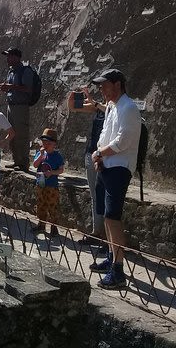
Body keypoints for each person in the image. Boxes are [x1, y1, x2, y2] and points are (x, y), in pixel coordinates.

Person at [88, 69, 141, 290]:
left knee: (113, 216)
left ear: (117, 84)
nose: (101, 89)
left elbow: (123, 141)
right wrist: (99, 154)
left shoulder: (128, 108)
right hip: (107, 166)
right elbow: (105, 134)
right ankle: (111, 257)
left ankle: (118, 270)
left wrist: (101, 153)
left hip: (119, 167)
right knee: (107, 216)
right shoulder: (112, 107)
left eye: (105, 85)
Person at [68, 86, 107, 245]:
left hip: (106, 157)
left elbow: (109, 111)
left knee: (106, 196)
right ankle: (96, 232)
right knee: (95, 195)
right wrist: (71, 98)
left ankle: (106, 236)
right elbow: (73, 107)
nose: (103, 91)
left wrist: (95, 102)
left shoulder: (115, 108)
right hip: (91, 153)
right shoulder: (97, 107)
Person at [0, 47, 33, 171]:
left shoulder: (25, 71)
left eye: (10, 56)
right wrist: (7, 88)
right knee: (11, 132)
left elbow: (28, 88)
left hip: (21, 106)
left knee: (21, 135)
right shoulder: (11, 72)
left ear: (17, 57)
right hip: (11, 105)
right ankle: (16, 160)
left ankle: (23, 162)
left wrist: (11, 86)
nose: (8, 59)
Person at [33, 128, 65, 234]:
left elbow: (61, 170)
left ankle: (54, 227)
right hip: (40, 184)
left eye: (48, 142)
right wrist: (41, 156)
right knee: (41, 204)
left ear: (54, 144)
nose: (45, 144)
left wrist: (52, 173)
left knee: (52, 206)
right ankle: (41, 224)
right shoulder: (41, 153)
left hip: (52, 185)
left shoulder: (57, 156)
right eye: (44, 142)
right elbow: (35, 165)